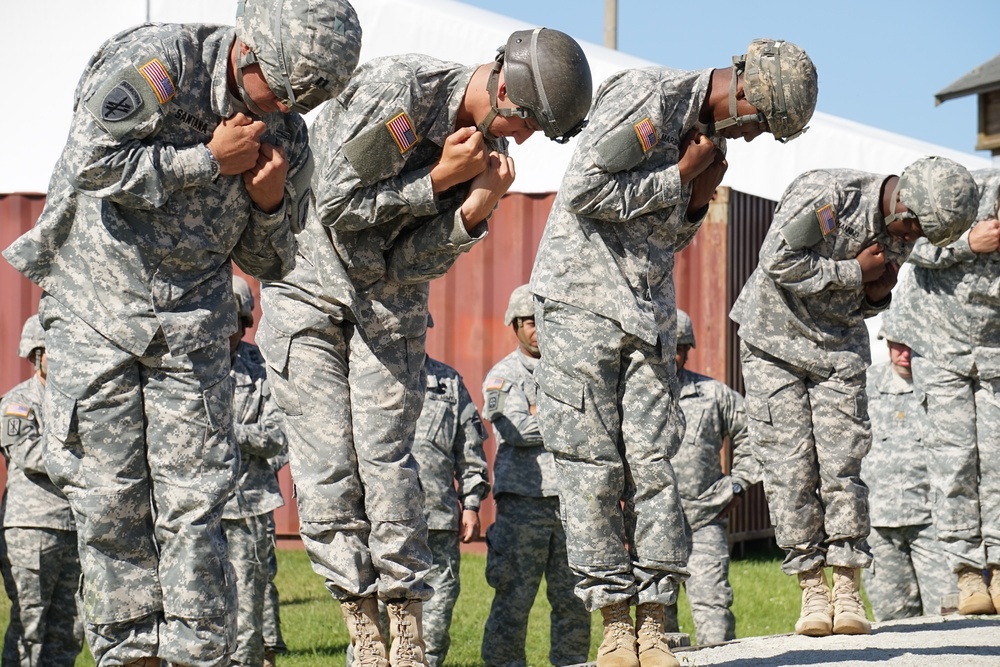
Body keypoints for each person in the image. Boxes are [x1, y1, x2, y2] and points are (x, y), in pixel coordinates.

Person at [1, 1, 362, 664]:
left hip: (193, 329)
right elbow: (93, 163)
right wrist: (208, 160)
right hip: (97, 312)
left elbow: (270, 261)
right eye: (279, 90)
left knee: (196, 507)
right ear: (249, 50)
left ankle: (197, 653)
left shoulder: (289, 134)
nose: (284, 108)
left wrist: (269, 203)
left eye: (301, 99)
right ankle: (130, 653)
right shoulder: (164, 64)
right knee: (111, 503)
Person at [257, 27, 592, 667]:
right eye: (524, 122)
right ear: (502, 85)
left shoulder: (485, 147)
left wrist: (474, 209)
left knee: (388, 460)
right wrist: (440, 176)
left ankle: (404, 624)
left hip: (388, 303)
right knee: (328, 466)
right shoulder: (403, 93)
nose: (519, 138)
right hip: (310, 287)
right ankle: (363, 626)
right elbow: (335, 207)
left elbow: (411, 259)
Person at [529, 38, 817, 667]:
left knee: (659, 466)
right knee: (592, 471)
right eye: (762, 123)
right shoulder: (651, 98)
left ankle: (655, 621)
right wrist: (681, 176)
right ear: (744, 93)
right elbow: (584, 191)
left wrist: (692, 201)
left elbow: (660, 235)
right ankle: (613, 624)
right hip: (582, 305)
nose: (755, 137)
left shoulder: (702, 136)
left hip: (648, 313)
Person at [730, 156, 979, 638]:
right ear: (903, 200)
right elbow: (778, 261)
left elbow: (867, 295)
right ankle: (811, 590)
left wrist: (878, 296)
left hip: (838, 346)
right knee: (789, 469)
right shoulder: (830, 196)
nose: (909, 240)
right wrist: (853, 273)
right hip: (772, 341)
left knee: (843, 464)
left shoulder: (911, 224)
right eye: (911, 227)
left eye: (920, 236)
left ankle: (846, 588)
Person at [888, 168, 1000, 616]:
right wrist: (966, 242)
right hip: (939, 341)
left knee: (996, 456)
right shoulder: (960, 190)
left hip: (994, 347)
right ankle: (968, 571)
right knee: (952, 457)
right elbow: (908, 241)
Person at [346, 324, 490, 667]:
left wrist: (470, 504)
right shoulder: (364, 380)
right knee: (372, 621)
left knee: (436, 619)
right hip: (378, 520)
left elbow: (468, 449)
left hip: (436, 519)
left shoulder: (448, 382)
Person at [480, 285, 591, 667]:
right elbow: (517, 431)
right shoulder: (503, 376)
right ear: (515, 325)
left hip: (570, 505)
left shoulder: (571, 373)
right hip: (522, 506)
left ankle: (573, 663)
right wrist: (571, 423)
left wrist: (541, 415)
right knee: (513, 597)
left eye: (544, 321)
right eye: (529, 322)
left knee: (575, 597)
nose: (538, 330)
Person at [666, 310, 759, 645]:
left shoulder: (713, 395)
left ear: (688, 349)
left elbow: (756, 432)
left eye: (678, 346)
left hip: (705, 518)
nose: (671, 353)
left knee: (714, 613)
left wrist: (739, 484)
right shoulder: (632, 398)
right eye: (664, 344)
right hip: (652, 525)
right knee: (656, 623)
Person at [0, 315, 83, 667]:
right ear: (37, 353)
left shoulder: (81, 404)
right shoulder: (17, 402)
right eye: (52, 351)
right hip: (31, 529)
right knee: (30, 624)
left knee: (70, 626)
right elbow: (28, 453)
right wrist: (81, 463)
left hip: (73, 526)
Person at [859, 318, 952, 621]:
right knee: (895, 621)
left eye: (912, 344)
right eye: (897, 343)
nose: (904, 352)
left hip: (933, 523)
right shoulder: (865, 385)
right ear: (885, 342)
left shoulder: (943, 387)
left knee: (950, 615)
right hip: (879, 524)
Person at [224, 276, 289, 667]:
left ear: (246, 322)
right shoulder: (183, 367)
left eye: (233, 319)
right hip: (189, 507)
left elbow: (278, 435)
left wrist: (227, 432)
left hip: (247, 506)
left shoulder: (263, 370)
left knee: (248, 611)